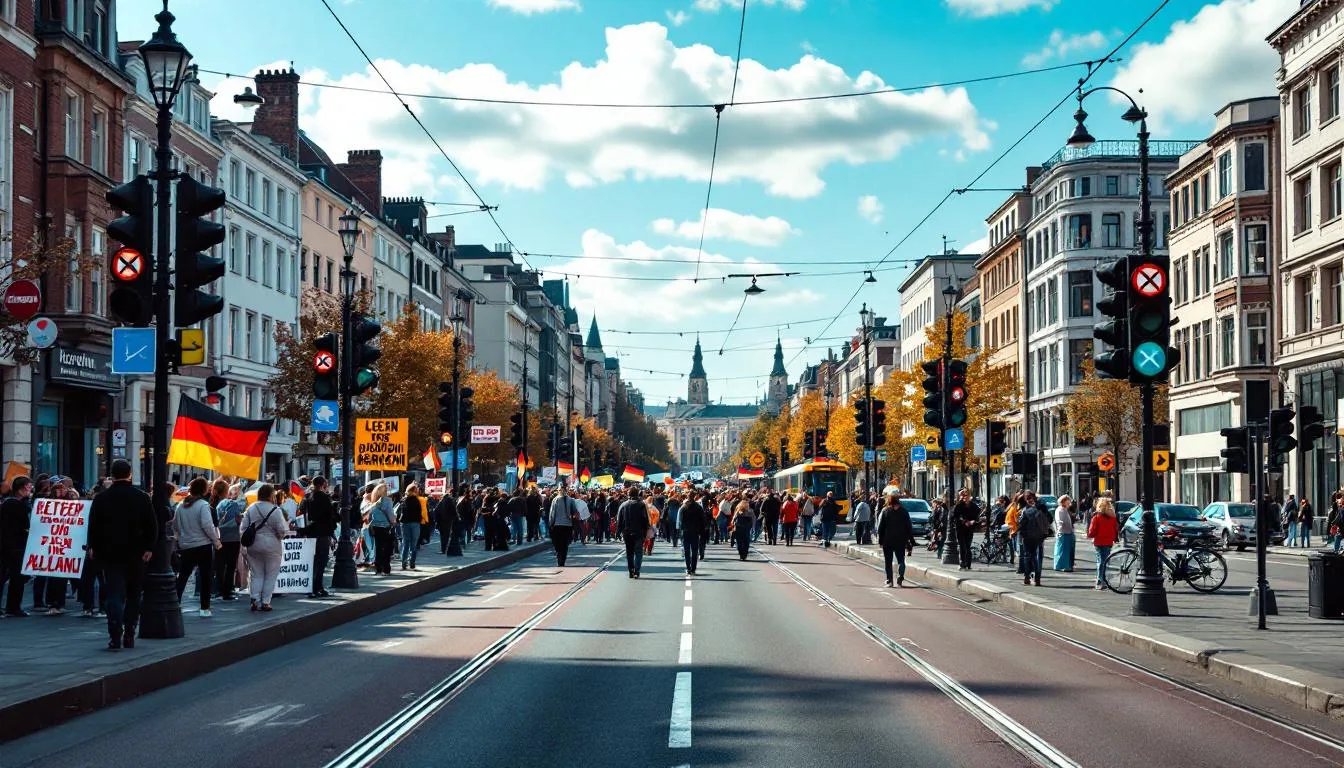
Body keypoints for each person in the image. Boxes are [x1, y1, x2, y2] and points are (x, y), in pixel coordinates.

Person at [87, 461, 156, 649]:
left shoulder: (102, 498)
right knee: (134, 593)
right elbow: (151, 525)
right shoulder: (141, 497)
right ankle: (130, 631)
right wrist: (149, 548)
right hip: (136, 553)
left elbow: (93, 525)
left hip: (110, 553)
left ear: (112, 475)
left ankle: (115, 634)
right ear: (130, 474)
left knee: (114, 594)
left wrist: (92, 546)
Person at [174, 477, 221, 618]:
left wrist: (181, 539)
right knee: (205, 576)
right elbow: (207, 525)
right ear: (204, 490)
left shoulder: (181, 505)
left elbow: (176, 525)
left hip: (186, 545)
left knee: (183, 575)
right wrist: (216, 541)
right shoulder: (203, 505)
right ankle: (204, 608)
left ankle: (175, 603)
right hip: (202, 545)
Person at [241, 484, 288, 612]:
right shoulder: (276, 510)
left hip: (254, 545)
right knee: (270, 575)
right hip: (272, 546)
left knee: (256, 574)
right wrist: (280, 536)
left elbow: (243, 528)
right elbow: (282, 530)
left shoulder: (251, 508)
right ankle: (266, 602)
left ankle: (255, 599)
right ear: (271, 495)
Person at [0, 476, 33, 617]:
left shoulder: (7, 503)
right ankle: (13, 607)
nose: (30, 489)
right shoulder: (18, 505)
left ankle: (11, 607)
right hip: (16, 546)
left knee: (5, 576)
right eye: (28, 486)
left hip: (6, 545)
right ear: (21, 489)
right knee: (16, 578)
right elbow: (25, 526)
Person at [303, 477, 335, 596]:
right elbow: (329, 515)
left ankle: (312, 586)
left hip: (311, 531)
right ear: (323, 484)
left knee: (313, 560)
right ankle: (317, 586)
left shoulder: (308, 497)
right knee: (321, 560)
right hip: (322, 532)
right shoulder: (325, 497)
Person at [876, 494, 916, 586]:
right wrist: (911, 540)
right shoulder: (904, 511)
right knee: (901, 560)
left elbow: (881, 527)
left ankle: (889, 580)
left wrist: (880, 541)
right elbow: (909, 527)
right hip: (901, 540)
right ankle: (900, 577)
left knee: (888, 561)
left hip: (887, 540)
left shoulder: (885, 511)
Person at [1017, 491, 1051, 587]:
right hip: (1040, 536)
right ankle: (1037, 579)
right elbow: (1050, 519)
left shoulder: (1025, 510)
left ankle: (1027, 577)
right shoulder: (1042, 508)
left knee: (1028, 556)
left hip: (1028, 536)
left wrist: (1021, 535)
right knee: (1038, 557)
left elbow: (1022, 524)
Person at [615, 490, 650, 577]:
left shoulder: (623, 505)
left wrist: (618, 532)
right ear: (637, 495)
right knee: (638, 552)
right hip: (639, 532)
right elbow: (645, 519)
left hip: (627, 532)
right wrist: (646, 531)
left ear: (628, 494)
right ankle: (637, 571)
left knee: (629, 552)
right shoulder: (641, 505)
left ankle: (631, 570)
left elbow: (619, 519)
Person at [1087, 497, 1119, 590]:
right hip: (1108, 542)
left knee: (1100, 561)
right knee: (1105, 561)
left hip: (1099, 542)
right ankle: (1103, 579)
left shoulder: (1096, 517)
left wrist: (1091, 535)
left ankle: (1100, 580)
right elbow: (1116, 529)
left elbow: (1091, 532)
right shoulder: (1112, 518)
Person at [398, 483, 427, 571]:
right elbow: (420, 512)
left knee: (405, 543)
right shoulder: (417, 500)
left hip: (405, 523)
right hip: (415, 523)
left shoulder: (403, 500)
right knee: (413, 544)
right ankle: (412, 563)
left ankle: (404, 563)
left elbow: (400, 512)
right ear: (414, 491)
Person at [679, 491, 708, 575]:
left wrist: (681, 530)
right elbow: (703, 520)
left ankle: (688, 568)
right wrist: (702, 531)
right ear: (694, 496)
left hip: (686, 531)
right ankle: (693, 568)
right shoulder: (698, 507)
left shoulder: (683, 507)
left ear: (688, 497)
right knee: (695, 550)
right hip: (695, 531)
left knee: (687, 551)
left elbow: (681, 520)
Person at [952, 489, 978, 570]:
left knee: (968, 546)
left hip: (969, 528)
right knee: (962, 546)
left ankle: (968, 564)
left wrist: (973, 521)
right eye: (962, 495)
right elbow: (956, 515)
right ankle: (962, 563)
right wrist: (964, 521)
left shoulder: (974, 506)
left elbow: (977, 516)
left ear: (969, 496)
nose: (964, 497)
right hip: (960, 528)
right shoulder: (959, 505)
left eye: (966, 495)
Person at [548, 489, 576, 567]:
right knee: (565, 544)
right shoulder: (571, 500)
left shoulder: (555, 500)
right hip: (567, 525)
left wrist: (551, 523)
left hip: (558, 525)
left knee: (558, 543)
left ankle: (559, 557)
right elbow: (574, 511)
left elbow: (552, 513)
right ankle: (562, 559)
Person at [1053, 494, 1076, 572]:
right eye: (1068, 501)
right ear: (1063, 501)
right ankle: (1063, 566)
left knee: (1065, 550)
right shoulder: (1060, 510)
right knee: (1063, 550)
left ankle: (1066, 565)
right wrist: (1060, 530)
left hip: (1067, 532)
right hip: (1064, 532)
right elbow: (1060, 522)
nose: (1069, 502)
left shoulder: (1064, 509)